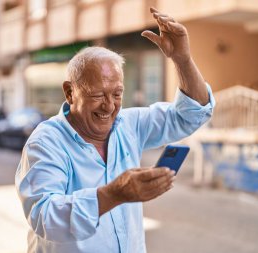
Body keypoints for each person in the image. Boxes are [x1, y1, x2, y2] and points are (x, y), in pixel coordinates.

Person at [15, 7, 215, 253]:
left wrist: (182, 59)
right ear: (69, 92)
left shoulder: (128, 124)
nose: (109, 106)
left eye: (117, 94)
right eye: (98, 95)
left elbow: (192, 114)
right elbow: (44, 217)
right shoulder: (46, 142)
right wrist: (113, 194)